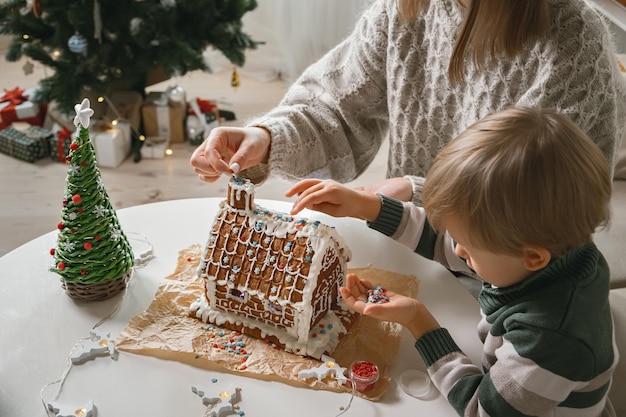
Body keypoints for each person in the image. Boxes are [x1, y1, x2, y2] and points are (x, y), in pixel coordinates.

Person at [286, 107, 618, 416]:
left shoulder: (550, 339)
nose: (457, 252)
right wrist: (365, 205)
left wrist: (420, 322)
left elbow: (481, 408)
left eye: (469, 248)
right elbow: (441, 239)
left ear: (532, 256)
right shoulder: (549, 246)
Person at [190, 0, 626, 206]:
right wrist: (265, 137)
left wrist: (419, 194)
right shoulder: (402, 12)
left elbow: (554, 203)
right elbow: (337, 108)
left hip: (509, 279)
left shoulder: (573, 39)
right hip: (410, 234)